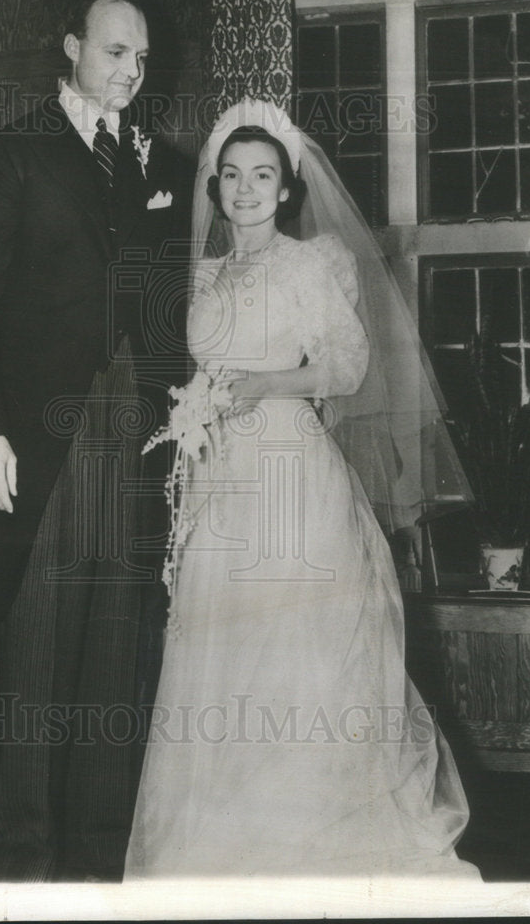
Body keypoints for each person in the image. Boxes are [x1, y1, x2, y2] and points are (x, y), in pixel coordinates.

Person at [124, 99, 480, 877]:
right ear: (213, 190)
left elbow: (347, 368)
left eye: (262, 177)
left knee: (294, 652)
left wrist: (262, 385)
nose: (244, 190)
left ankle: (309, 842)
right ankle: (219, 844)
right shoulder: (202, 272)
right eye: (230, 177)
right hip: (219, 478)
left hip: (289, 469)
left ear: (286, 189)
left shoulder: (313, 262)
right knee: (217, 653)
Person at [0, 0, 188, 881]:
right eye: (116, 51)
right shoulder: (10, 154)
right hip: (41, 441)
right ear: (72, 48)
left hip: (138, 434)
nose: (131, 70)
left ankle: (95, 856)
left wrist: (181, 433)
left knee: (115, 641)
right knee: (37, 643)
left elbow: (168, 313)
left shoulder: (167, 164)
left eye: (143, 58)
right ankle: (22, 856)